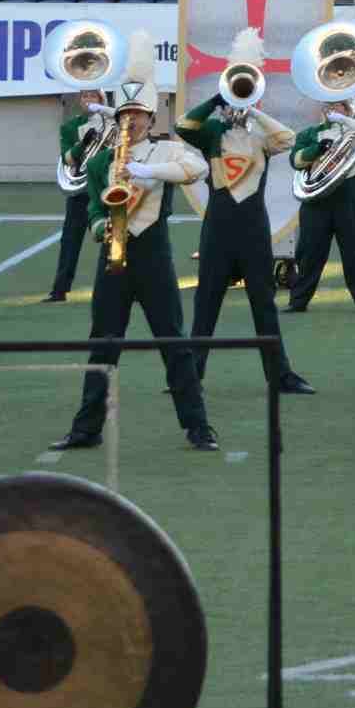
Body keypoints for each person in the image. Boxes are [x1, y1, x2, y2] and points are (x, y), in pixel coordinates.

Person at [47, 31, 219, 453]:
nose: (132, 122)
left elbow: (197, 168)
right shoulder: (103, 160)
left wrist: (146, 173)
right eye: (126, 114)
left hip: (153, 255)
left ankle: (198, 427)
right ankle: (87, 428)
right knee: (103, 344)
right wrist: (99, 228)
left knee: (173, 343)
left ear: (151, 117)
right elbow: (93, 208)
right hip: (113, 258)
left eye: (139, 115)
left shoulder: (167, 151)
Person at [178, 29, 313, 395]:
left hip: (253, 228)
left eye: (242, 93)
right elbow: (183, 125)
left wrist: (253, 110)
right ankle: (192, 374)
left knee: (263, 303)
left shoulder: (261, 137)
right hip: (218, 228)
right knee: (206, 302)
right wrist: (217, 99)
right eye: (235, 94)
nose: (236, 102)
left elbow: (290, 139)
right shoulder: (212, 133)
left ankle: (280, 375)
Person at [286, 95, 355, 313]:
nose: (333, 109)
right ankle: (298, 301)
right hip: (316, 198)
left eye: (339, 105)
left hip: (349, 195)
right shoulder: (309, 134)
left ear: (349, 108)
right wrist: (316, 150)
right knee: (309, 251)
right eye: (330, 105)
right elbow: (295, 160)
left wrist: (344, 121)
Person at [42, 87, 111, 303]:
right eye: (85, 96)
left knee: (114, 238)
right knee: (70, 240)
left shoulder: (113, 123)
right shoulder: (70, 127)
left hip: (106, 188)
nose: (88, 99)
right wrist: (84, 143)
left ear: (101, 99)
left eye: (93, 95)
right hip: (80, 191)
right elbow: (67, 159)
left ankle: (125, 288)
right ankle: (59, 290)